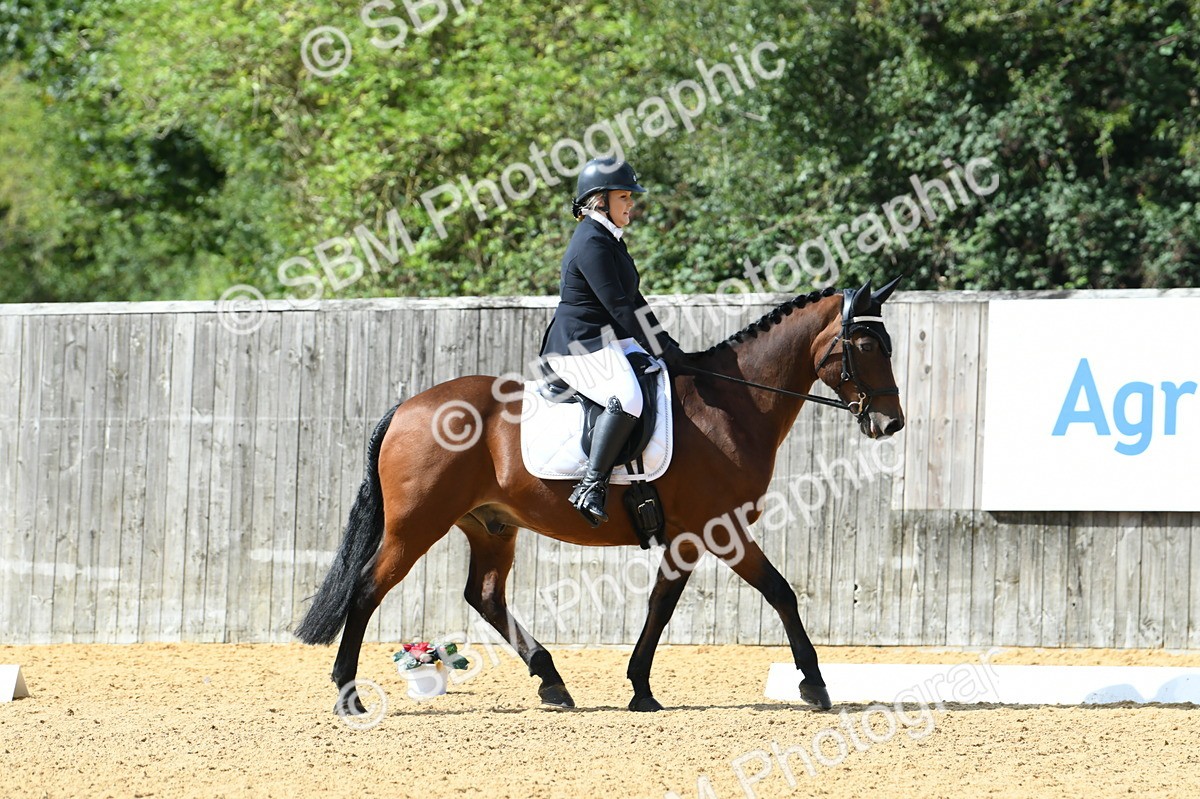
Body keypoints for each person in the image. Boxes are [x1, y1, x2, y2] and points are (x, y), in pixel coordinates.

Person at [538, 157, 685, 526]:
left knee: (664, 373)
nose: (631, 203)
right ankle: (591, 485)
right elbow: (619, 308)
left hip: (609, 340)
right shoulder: (591, 241)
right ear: (600, 200)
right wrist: (659, 346)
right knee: (629, 398)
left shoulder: (610, 239)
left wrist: (667, 348)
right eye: (624, 196)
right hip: (579, 344)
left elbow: (634, 301)